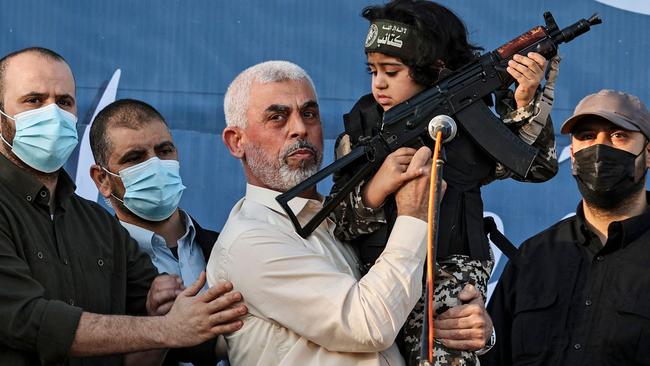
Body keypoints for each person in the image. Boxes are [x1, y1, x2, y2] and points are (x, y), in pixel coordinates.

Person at [330, 0, 559, 363]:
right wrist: (379, 187)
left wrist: (525, 102)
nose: (378, 84)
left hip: (450, 280)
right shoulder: (363, 127)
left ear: (430, 70)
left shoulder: (466, 122)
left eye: (391, 71)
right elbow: (336, 222)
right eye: (373, 70)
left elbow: (536, 166)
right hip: (375, 281)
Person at [0, 47, 245, 365]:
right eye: (34, 100)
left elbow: (182, 324)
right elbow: (30, 319)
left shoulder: (99, 225)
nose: (53, 113)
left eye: (64, 102)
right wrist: (165, 330)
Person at [207, 60, 436, 366]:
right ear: (237, 142)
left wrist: (462, 321)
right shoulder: (249, 241)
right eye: (277, 117)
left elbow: (399, 307)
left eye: (309, 114)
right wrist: (413, 214)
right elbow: (368, 325)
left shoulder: (344, 216)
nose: (300, 128)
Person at [482, 89, 650, 366]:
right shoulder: (532, 258)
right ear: (572, 154)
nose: (599, 149)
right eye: (586, 137)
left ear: (647, 153)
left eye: (618, 136)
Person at [89, 99, 232, 365]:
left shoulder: (229, 246)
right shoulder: (92, 268)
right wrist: (158, 327)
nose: (155, 165)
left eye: (164, 151)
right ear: (102, 180)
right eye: (135, 158)